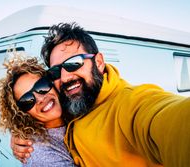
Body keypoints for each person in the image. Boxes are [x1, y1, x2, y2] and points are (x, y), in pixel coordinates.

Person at [11, 23, 190, 167]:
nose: (65, 77)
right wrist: (20, 132)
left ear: (98, 62)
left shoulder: (131, 105)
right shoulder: (72, 102)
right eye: (56, 72)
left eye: (74, 63)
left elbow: (169, 119)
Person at [0, 54, 76, 166]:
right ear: (22, 113)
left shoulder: (77, 107)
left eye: (41, 86)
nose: (40, 99)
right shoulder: (41, 156)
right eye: (27, 100)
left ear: (52, 83)